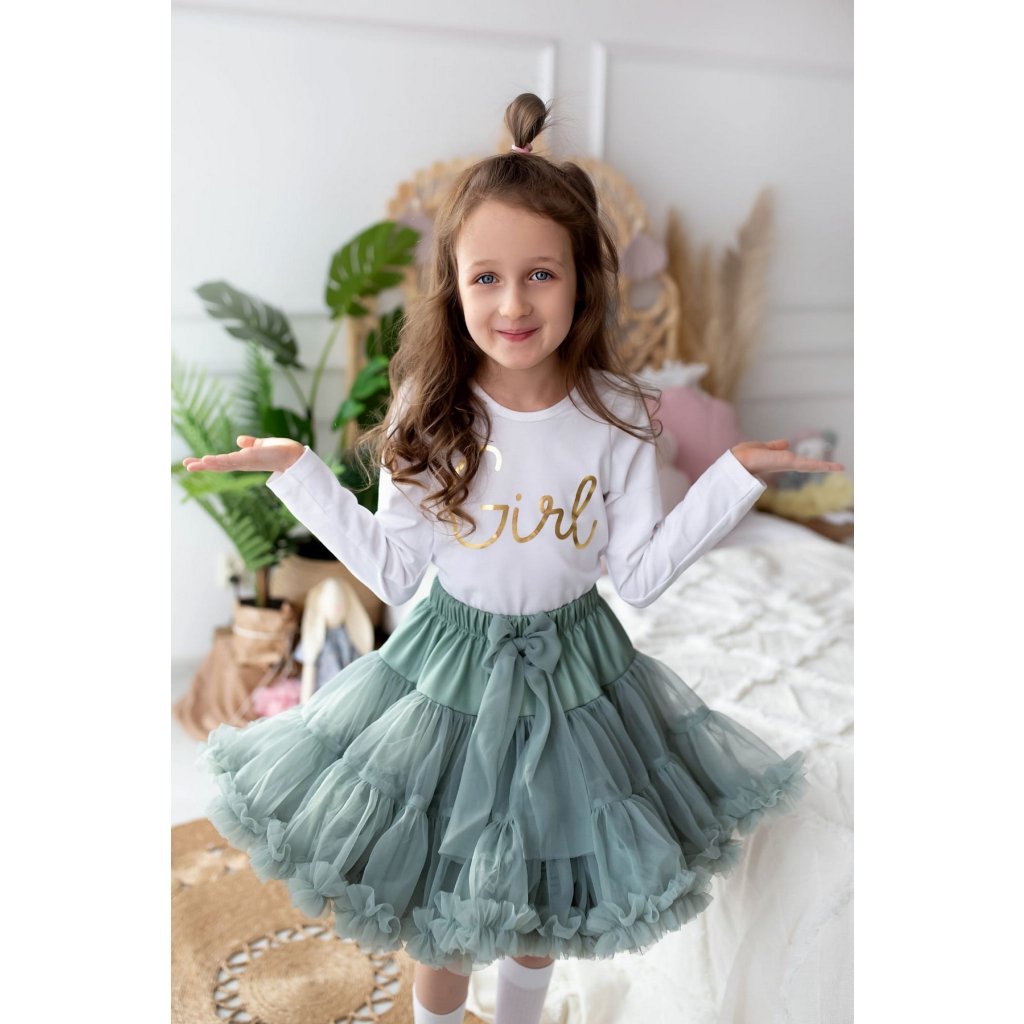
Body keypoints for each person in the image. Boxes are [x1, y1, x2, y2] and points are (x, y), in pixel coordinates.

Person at [185, 93, 844, 1024]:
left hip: (581, 678)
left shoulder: (620, 413)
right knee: (447, 912)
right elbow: (396, 574)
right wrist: (299, 473)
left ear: (581, 281)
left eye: (540, 274)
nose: (513, 303)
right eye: (486, 277)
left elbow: (640, 573)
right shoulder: (430, 409)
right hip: (449, 674)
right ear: (453, 286)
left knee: (545, 895)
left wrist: (732, 476)